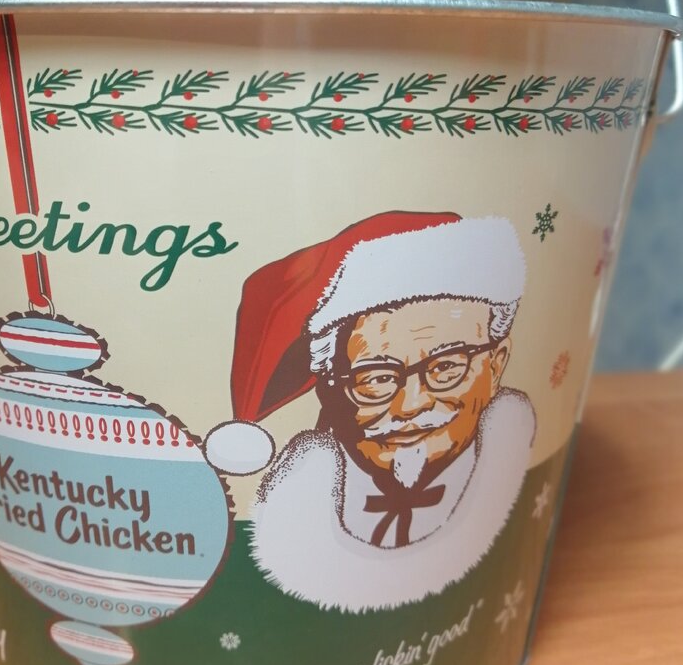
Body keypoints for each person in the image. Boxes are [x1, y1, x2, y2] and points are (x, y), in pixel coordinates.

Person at [205, 212, 536, 612]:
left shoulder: (512, 485)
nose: (411, 404)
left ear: (496, 365)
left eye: (446, 367)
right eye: (377, 377)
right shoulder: (297, 521)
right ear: (329, 389)